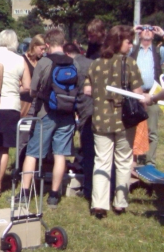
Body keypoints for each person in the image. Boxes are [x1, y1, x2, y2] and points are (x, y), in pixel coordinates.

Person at [19, 28, 88, 209]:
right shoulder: (74, 63)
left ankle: (25, 193)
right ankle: (54, 195)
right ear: (63, 43)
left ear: (48, 44)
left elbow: (33, 89)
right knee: (60, 154)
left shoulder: (44, 62)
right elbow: (79, 89)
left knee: (33, 153)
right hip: (67, 114)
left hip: (46, 113)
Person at [85, 25, 144, 218]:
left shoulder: (95, 64)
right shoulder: (130, 63)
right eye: (129, 41)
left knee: (101, 161)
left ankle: (99, 205)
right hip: (124, 120)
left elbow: (87, 90)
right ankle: (120, 202)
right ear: (119, 42)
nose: (131, 45)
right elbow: (138, 93)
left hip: (100, 119)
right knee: (123, 161)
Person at [0, 30, 30, 196]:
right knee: (2, 148)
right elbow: (27, 86)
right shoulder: (20, 59)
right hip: (11, 105)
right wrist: (13, 88)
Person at [64, 43, 94, 200]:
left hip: (85, 111)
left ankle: (88, 189)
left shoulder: (73, 66)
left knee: (88, 152)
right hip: (99, 110)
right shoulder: (92, 63)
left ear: (67, 53)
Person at [130, 25, 162, 166]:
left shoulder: (158, 51)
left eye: (150, 29)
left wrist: (163, 35)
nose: (147, 30)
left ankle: (150, 163)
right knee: (132, 128)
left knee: (152, 131)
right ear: (139, 34)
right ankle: (132, 162)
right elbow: (115, 47)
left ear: (154, 35)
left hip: (152, 95)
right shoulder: (132, 50)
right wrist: (131, 32)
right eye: (144, 28)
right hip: (134, 94)